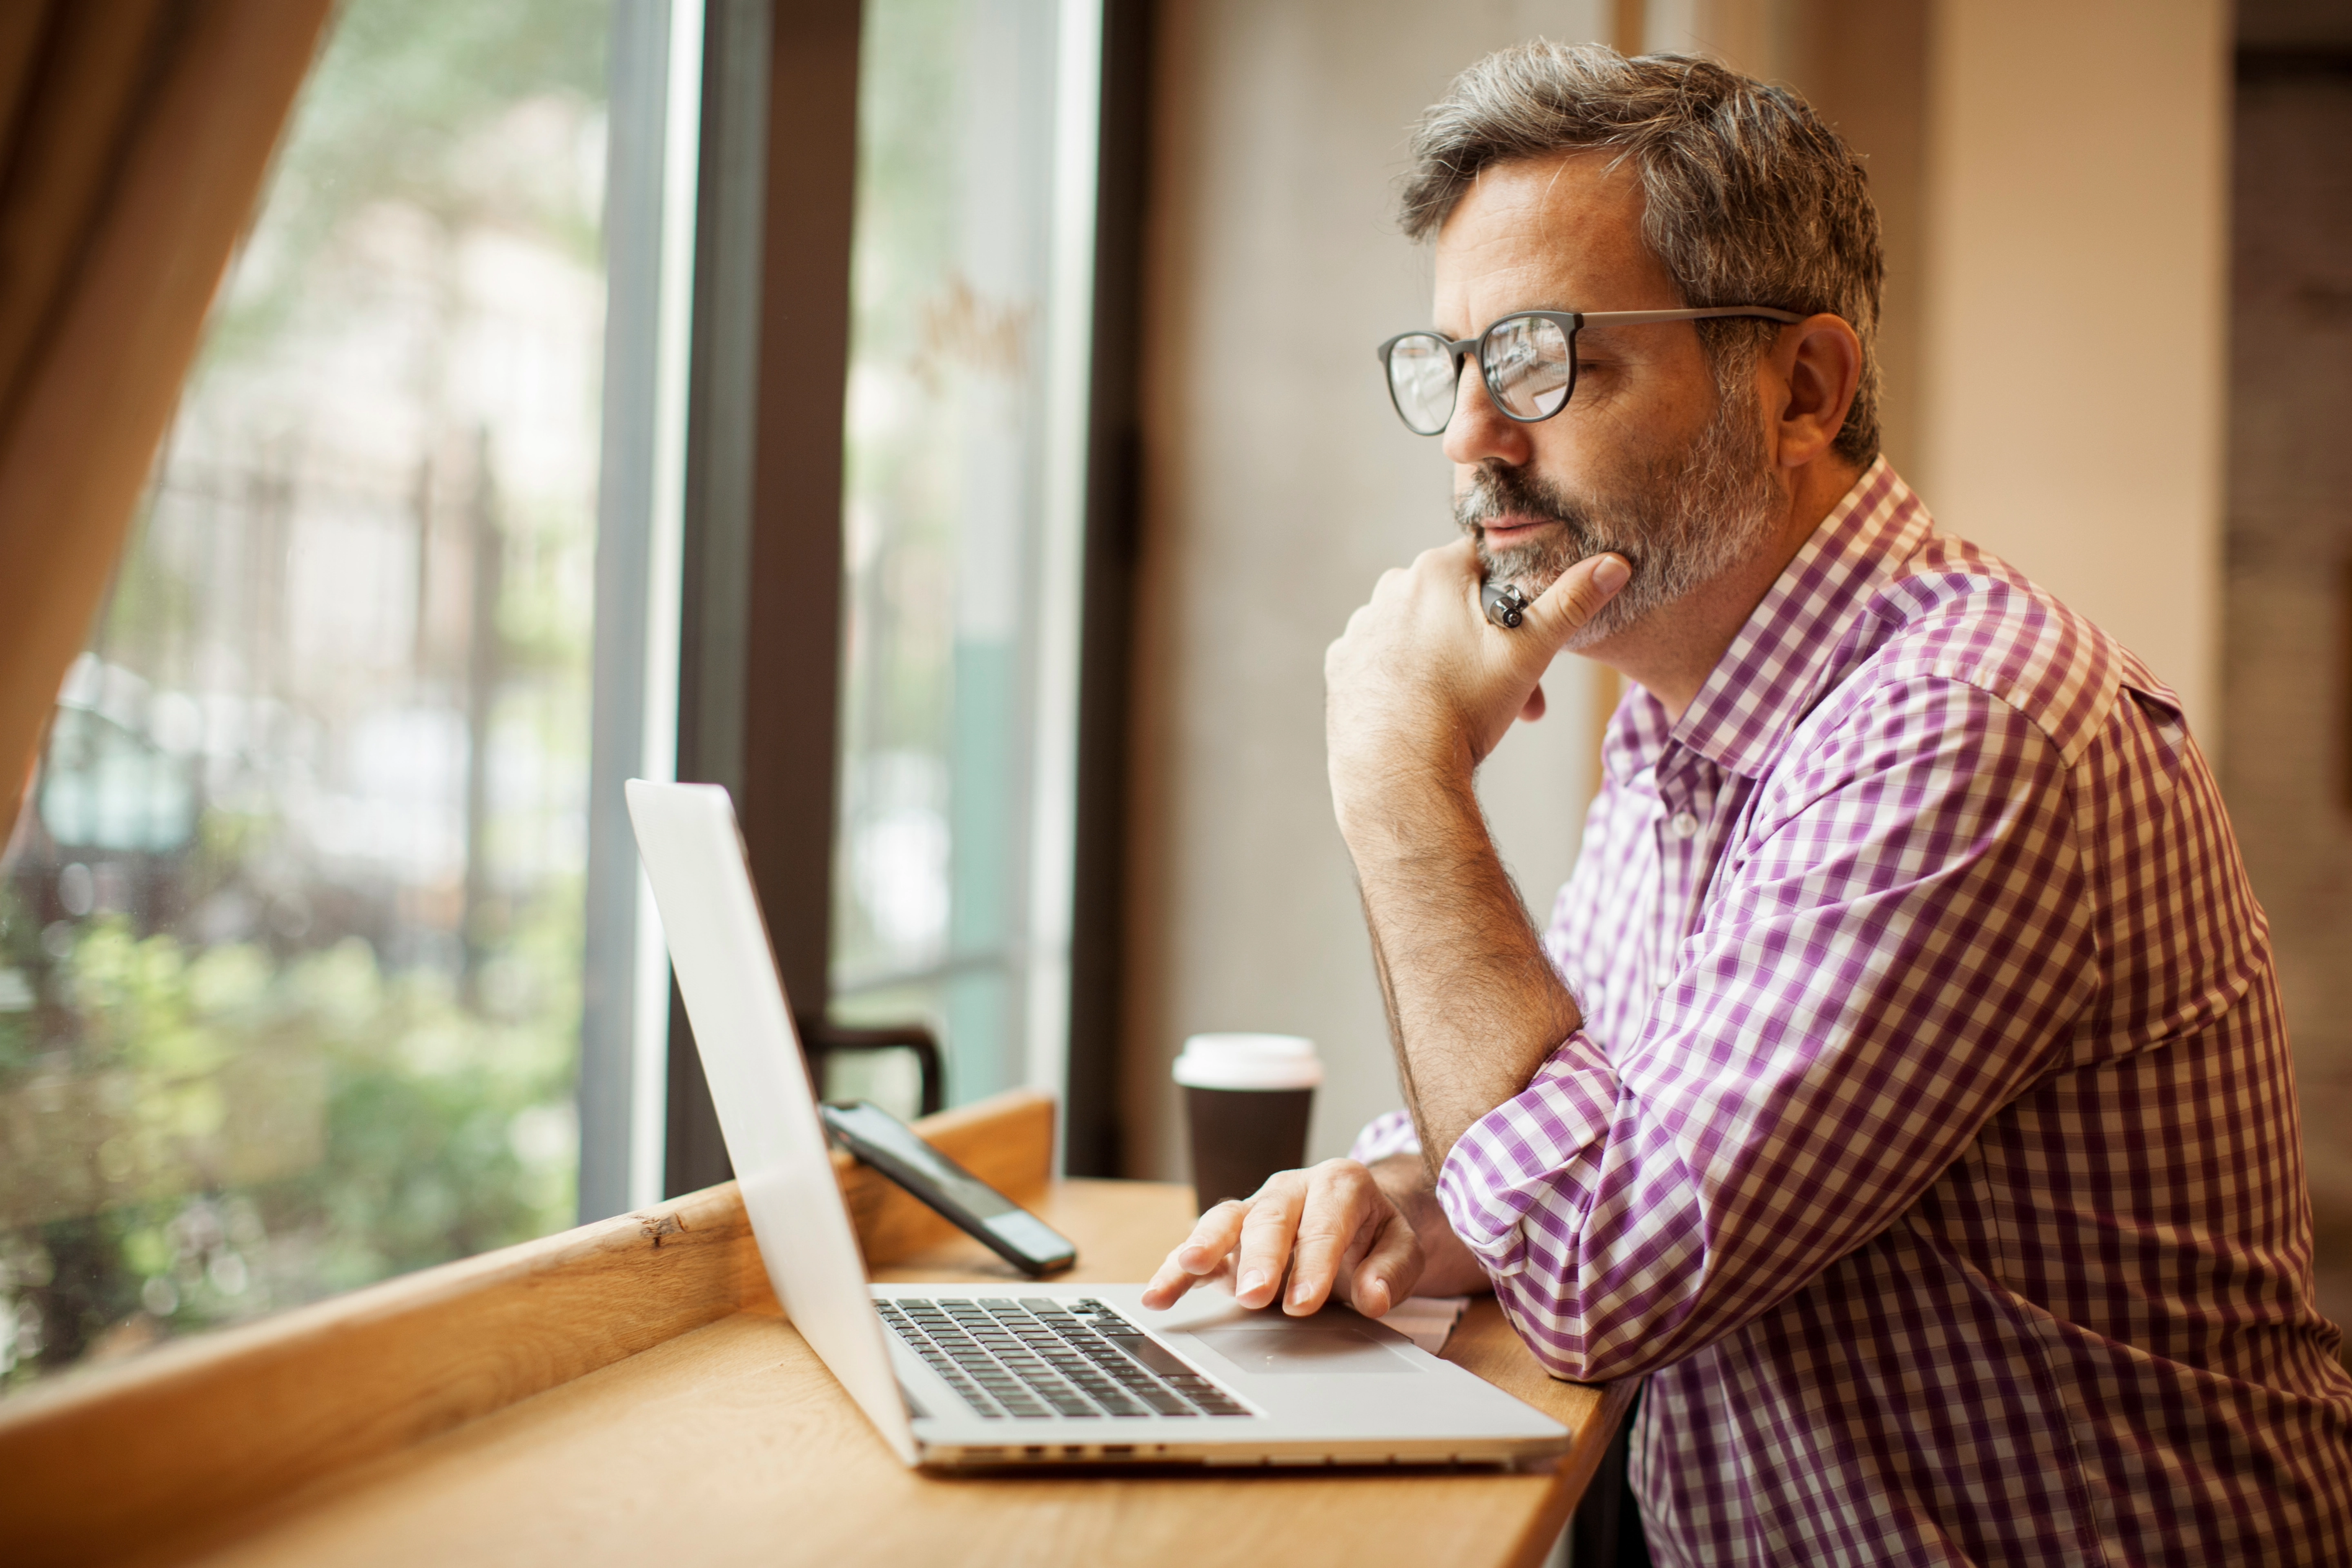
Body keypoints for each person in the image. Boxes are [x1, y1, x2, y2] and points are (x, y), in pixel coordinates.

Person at [1140, 42, 2352, 1565]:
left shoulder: (1959, 729)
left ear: (1802, 388)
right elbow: (1587, 1137)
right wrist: (1394, 1192)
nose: (1469, 439)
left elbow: (1591, 1267)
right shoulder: (1683, 709)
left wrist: (1398, 772)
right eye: (1450, 367)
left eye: (1541, 359)